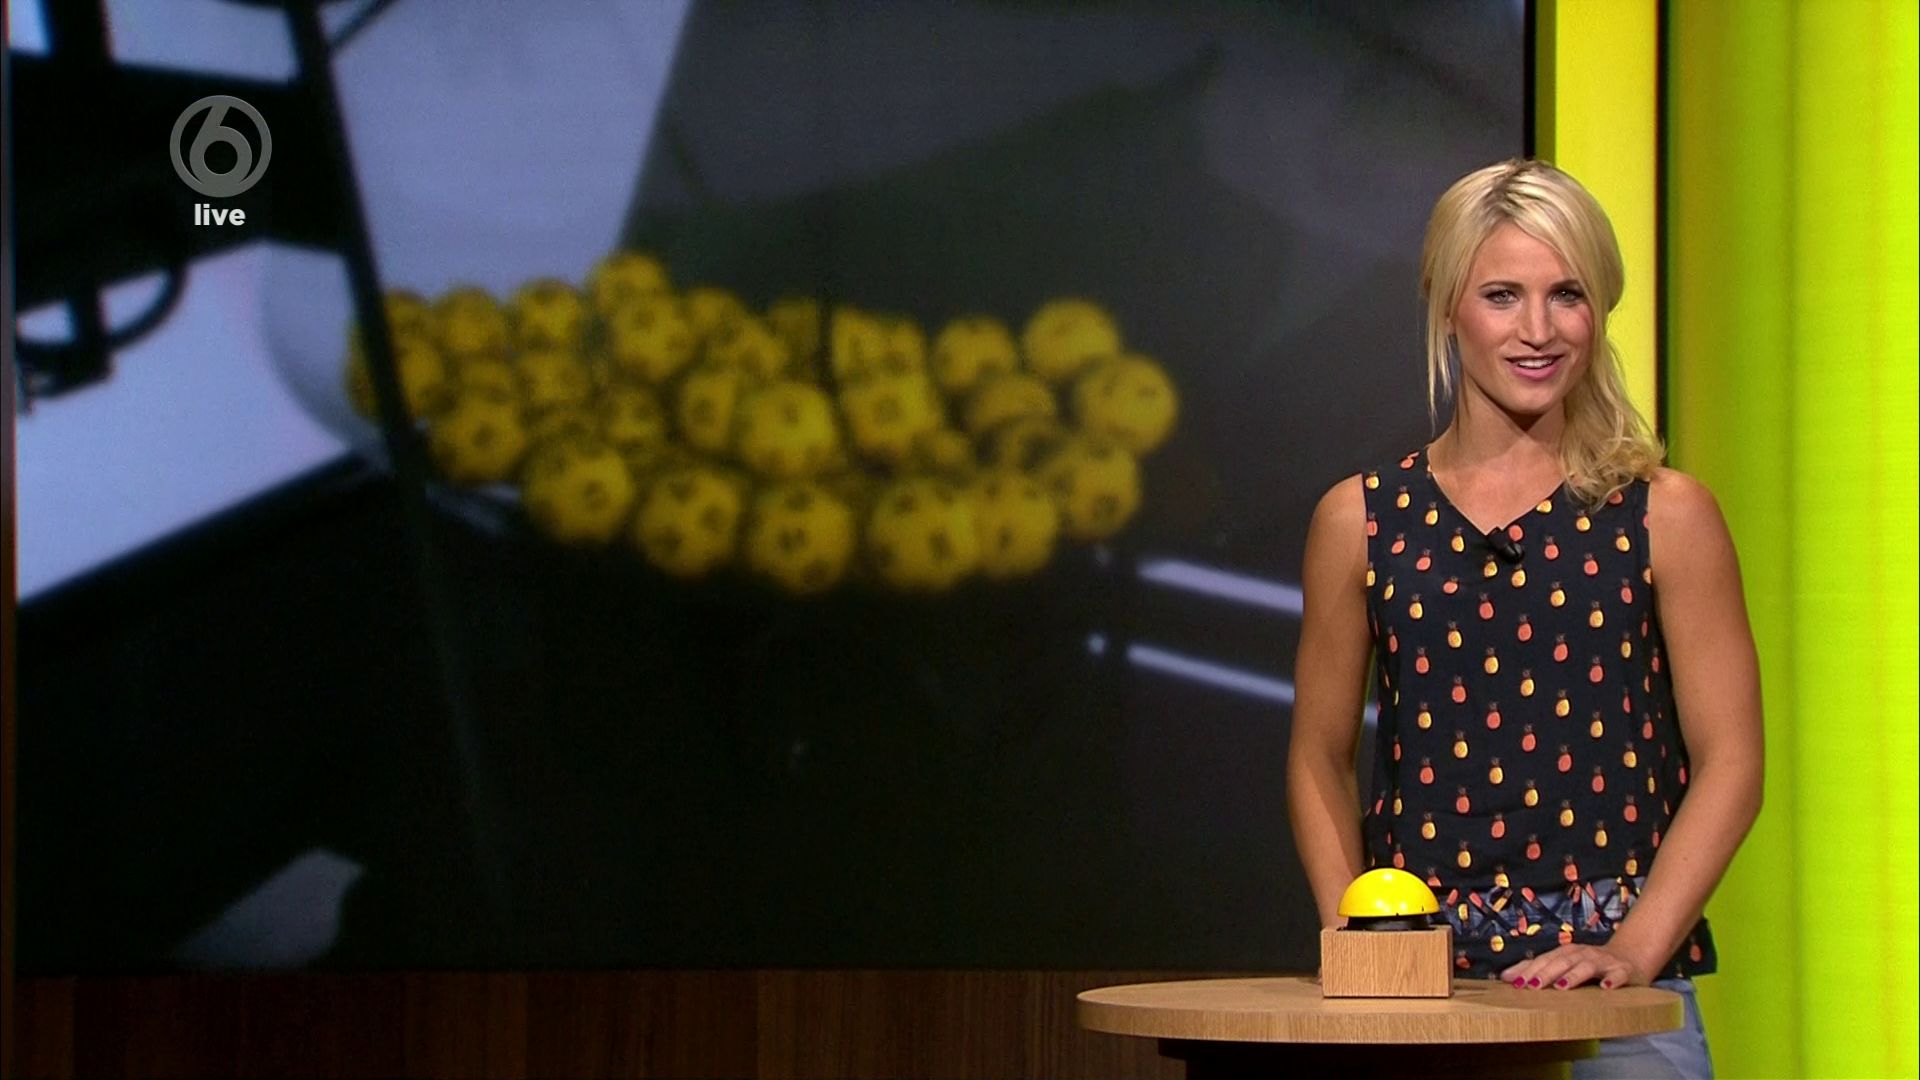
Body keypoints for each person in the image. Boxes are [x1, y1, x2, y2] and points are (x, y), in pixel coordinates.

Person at [1287, 159, 1764, 1080]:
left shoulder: (1667, 514)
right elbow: (1317, 755)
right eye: (1503, 296)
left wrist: (1633, 951)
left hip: (1617, 996)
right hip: (1422, 990)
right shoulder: (1361, 520)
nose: (1538, 330)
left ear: (1600, 309)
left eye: (1567, 295)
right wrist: (1357, 937)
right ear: (1448, 307)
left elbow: (1732, 762)